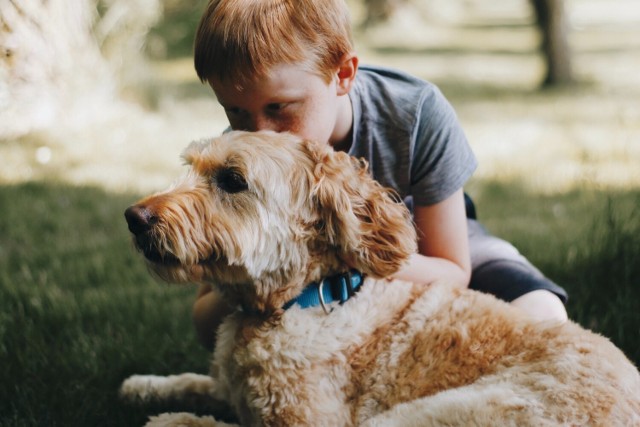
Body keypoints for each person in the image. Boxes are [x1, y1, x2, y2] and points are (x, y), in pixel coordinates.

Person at [191, 0, 568, 351]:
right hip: (306, 280)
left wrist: (348, 253)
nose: (260, 134)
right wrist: (239, 278)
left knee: (543, 312)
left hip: (426, 247)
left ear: (342, 74)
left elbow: (453, 270)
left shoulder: (415, 115)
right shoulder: (238, 162)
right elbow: (206, 321)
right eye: (236, 112)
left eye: (279, 107)